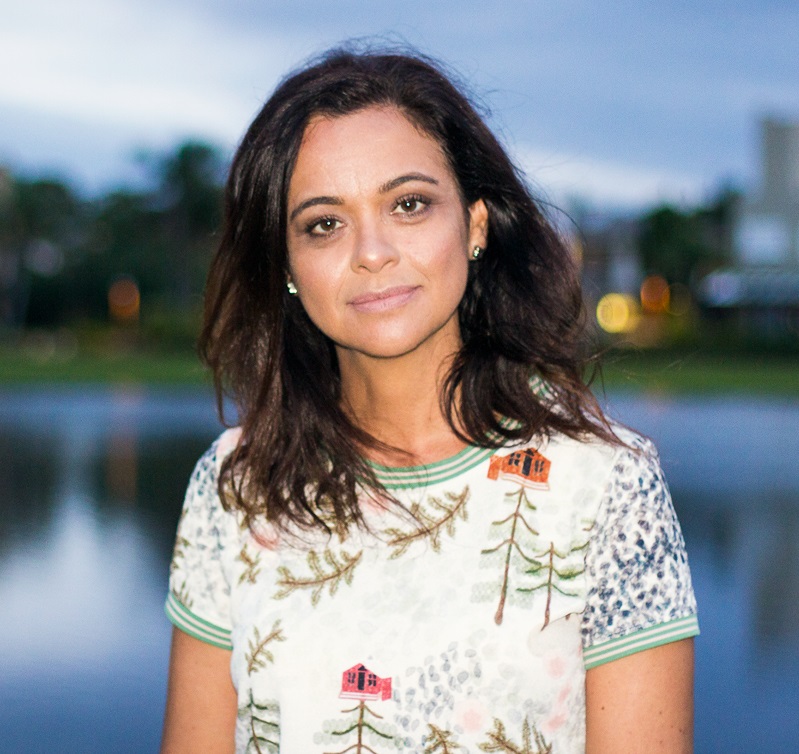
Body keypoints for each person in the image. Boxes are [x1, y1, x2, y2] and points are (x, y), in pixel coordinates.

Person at [161, 48, 698, 754]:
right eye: (324, 223)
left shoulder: (607, 485)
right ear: (285, 264)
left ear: (475, 225)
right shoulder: (236, 486)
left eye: (409, 205)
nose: (372, 251)